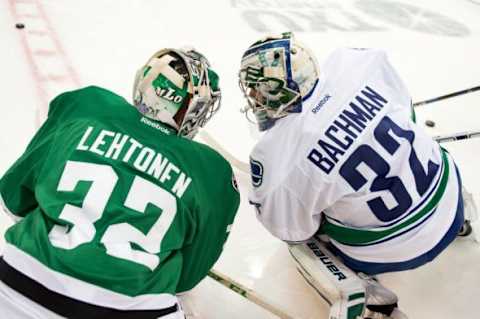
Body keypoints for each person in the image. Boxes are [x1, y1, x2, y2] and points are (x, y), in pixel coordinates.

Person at [238, 32, 472, 318]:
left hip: (395, 250)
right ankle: (464, 212)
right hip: (449, 199)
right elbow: (407, 112)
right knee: (416, 141)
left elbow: (294, 231)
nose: (253, 97)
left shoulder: (277, 155)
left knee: (305, 238)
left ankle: (366, 298)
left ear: (275, 90)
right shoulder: (357, 64)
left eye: (255, 89)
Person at [0, 47, 240, 319]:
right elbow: (186, 280)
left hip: (20, 286)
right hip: (131, 310)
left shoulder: (86, 108)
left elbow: (13, 201)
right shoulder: (212, 171)